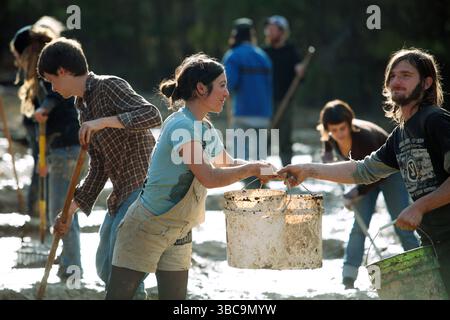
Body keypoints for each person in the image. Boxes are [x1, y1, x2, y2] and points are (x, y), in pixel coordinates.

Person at [105, 53, 277, 300]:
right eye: (222, 86)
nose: (227, 93)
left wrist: (269, 170)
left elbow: (227, 163)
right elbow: (210, 177)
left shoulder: (204, 128)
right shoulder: (182, 126)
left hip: (180, 229)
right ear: (200, 88)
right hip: (147, 226)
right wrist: (250, 170)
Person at [279, 48, 450, 296]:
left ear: (426, 83)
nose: (396, 81)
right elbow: (362, 170)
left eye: (405, 75)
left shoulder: (436, 120)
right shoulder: (400, 135)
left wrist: (419, 207)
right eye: (392, 76)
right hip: (433, 240)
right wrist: (308, 169)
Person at [37, 37, 162, 299]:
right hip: (121, 192)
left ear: (63, 71)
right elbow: (99, 168)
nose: (52, 87)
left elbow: (152, 114)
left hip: (144, 186)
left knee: (124, 268)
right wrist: (69, 210)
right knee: (105, 267)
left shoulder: (109, 86)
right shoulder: (81, 107)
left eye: (51, 80)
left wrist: (104, 122)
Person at [317, 99, 419, 289]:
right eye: (334, 130)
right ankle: (348, 278)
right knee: (359, 226)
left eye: (342, 129)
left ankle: (419, 265)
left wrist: (355, 191)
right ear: (327, 129)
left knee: (401, 221)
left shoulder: (364, 138)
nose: (338, 134)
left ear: (349, 124)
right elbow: (328, 145)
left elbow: (377, 174)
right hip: (364, 177)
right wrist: (328, 157)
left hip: (391, 172)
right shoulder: (330, 136)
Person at [10, 17, 83, 280]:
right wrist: (41, 157)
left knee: (62, 214)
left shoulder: (49, 68)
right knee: (59, 211)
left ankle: (72, 268)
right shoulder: (45, 69)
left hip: (66, 147)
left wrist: (44, 109)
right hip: (58, 148)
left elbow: (57, 95)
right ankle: (68, 263)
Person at [223, 18, 273, 188]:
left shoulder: (233, 56)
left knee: (241, 163)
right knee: (261, 162)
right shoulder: (263, 56)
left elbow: (227, 86)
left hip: (243, 114)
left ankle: (249, 197)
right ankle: (264, 193)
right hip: (263, 115)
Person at [263, 15, 305, 166]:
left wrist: (300, 71)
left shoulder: (291, 51)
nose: (268, 32)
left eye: (272, 29)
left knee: (285, 139)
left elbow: (300, 77)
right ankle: (263, 176)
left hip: (285, 102)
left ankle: (288, 176)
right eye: (268, 29)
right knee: (264, 139)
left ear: (282, 32)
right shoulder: (263, 52)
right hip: (265, 103)